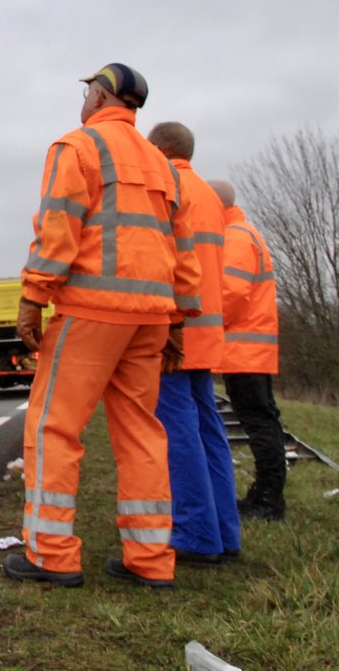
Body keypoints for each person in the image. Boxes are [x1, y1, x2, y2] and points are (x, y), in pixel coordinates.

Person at [4, 63, 201, 590]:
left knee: (53, 427)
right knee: (141, 433)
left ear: (98, 95)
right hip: (151, 318)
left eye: (87, 89)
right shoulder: (163, 166)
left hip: (92, 310)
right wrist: (179, 319)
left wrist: (33, 295)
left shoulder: (78, 147)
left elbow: (58, 226)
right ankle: (151, 559)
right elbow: (181, 249)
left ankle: (51, 553)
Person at [147, 122, 240, 565]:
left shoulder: (166, 186)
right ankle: (224, 531)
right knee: (208, 430)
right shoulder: (206, 192)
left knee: (177, 431)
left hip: (175, 331)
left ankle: (194, 535)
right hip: (205, 330)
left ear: (162, 149)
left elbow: (165, 261)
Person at [210, 179, 287, 521]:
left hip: (245, 351)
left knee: (259, 423)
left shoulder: (236, 237)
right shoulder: (241, 232)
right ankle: (264, 495)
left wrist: (203, 327)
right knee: (262, 421)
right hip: (248, 350)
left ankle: (268, 501)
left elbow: (231, 295)